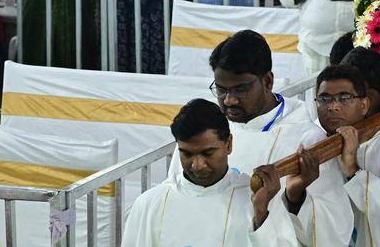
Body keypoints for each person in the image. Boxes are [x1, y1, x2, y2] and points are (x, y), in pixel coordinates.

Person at [204, 30, 355, 244]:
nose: (229, 100)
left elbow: (335, 229)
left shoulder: (307, 140)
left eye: (240, 90)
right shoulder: (208, 130)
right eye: (221, 90)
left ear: (267, 81)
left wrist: (296, 197)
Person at [123, 99, 291, 246]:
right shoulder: (150, 204)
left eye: (207, 153)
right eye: (187, 154)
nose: (198, 165)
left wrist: (260, 213)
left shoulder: (258, 199)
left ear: (228, 144)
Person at [313, 64, 380, 247]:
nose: (333, 107)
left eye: (344, 98)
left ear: (364, 105)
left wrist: (354, 171)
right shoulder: (312, 146)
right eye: (325, 99)